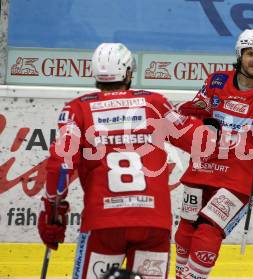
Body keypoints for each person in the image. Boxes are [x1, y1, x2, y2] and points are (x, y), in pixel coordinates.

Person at [37, 43, 206, 278]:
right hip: (153, 223)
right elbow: (199, 141)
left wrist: (52, 210)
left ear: (94, 72)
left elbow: (61, 164)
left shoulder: (78, 109)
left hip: (104, 224)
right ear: (128, 72)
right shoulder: (154, 103)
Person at [174, 29, 253, 279]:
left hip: (240, 179)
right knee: (185, 232)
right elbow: (193, 112)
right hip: (203, 168)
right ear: (239, 55)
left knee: (207, 231)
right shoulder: (216, 81)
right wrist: (194, 116)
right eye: (250, 53)